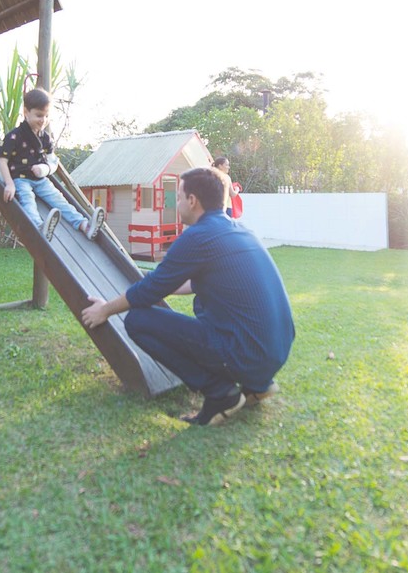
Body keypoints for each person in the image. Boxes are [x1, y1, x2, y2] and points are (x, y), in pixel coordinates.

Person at [81, 166, 294, 426]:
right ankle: (257, 385)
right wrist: (159, 281)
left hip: (247, 354)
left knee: (137, 321)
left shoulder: (197, 236)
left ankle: (220, 392)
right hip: (275, 351)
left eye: (178, 197)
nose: (176, 203)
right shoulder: (238, 229)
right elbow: (191, 283)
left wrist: (104, 310)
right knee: (201, 302)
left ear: (192, 201)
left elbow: (148, 292)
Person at [0, 87, 104, 241]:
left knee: (59, 200)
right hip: (20, 179)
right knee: (27, 200)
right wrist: (9, 184)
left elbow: (52, 159)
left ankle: (84, 226)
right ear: (26, 112)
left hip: (41, 180)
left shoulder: (45, 137)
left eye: (46, 116)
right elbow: (3, 160)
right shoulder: (14, 136)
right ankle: (39, 228)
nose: (43, 120)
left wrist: (45, 169)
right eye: (39, 115)